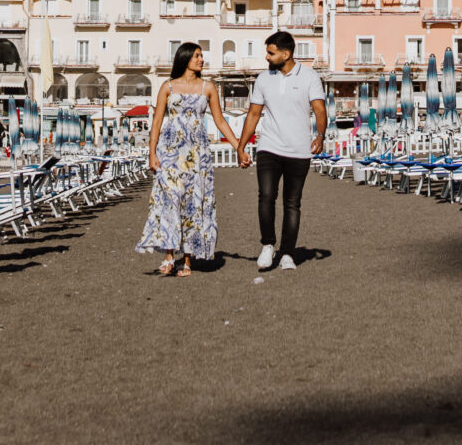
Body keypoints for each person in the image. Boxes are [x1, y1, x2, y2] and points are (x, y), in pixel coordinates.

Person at [136, 41, 233, 276]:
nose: (201, 59)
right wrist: (152, 153)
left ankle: (187, 259)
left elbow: (220, 121)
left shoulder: (208, 87)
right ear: (186, 58)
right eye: (197, 55)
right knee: (169, 202)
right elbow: (157, 122)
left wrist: (238, 145)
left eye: (202, 56)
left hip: (197, 155)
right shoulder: (168, 87)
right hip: (169, 153)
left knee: (193, 204)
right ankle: (169, 257)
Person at [236, 30, 327, 271]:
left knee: (292, 203)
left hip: (299, 150)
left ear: (286, 54)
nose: (266, 57)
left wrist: (320, 135)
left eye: (271, 52)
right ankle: (268, 245)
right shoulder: (263, 79)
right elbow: (254, 113)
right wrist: (241, 145)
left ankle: (287, 253)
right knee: (266, 196)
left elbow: (319, 109)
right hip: (269, 147)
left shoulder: (309, 76)